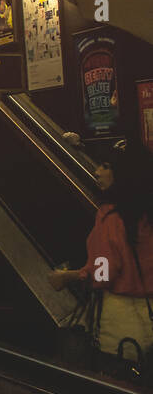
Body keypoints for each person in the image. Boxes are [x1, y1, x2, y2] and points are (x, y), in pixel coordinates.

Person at [50, 141, 153, 361]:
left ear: (123, 174)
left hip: (123, 324)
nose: (97, 171)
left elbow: (103, 275)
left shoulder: (111, 219)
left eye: (105, 166)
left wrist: (67, 277)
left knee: (119, 387)